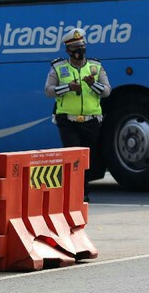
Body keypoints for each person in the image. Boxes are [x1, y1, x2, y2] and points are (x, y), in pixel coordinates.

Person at [44, 28, 111, 202]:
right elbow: (48, 91)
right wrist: (68, 87)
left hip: (91, 121)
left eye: (81, 46)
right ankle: (74, 193)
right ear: (68, 50)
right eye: (74, 47)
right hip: (68, 121)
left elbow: (106, 91)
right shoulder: (58, 67)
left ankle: (84, 192)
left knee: (86, 159)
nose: (79, 50)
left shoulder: (96, 67)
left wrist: (92, 84)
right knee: (72, 157)